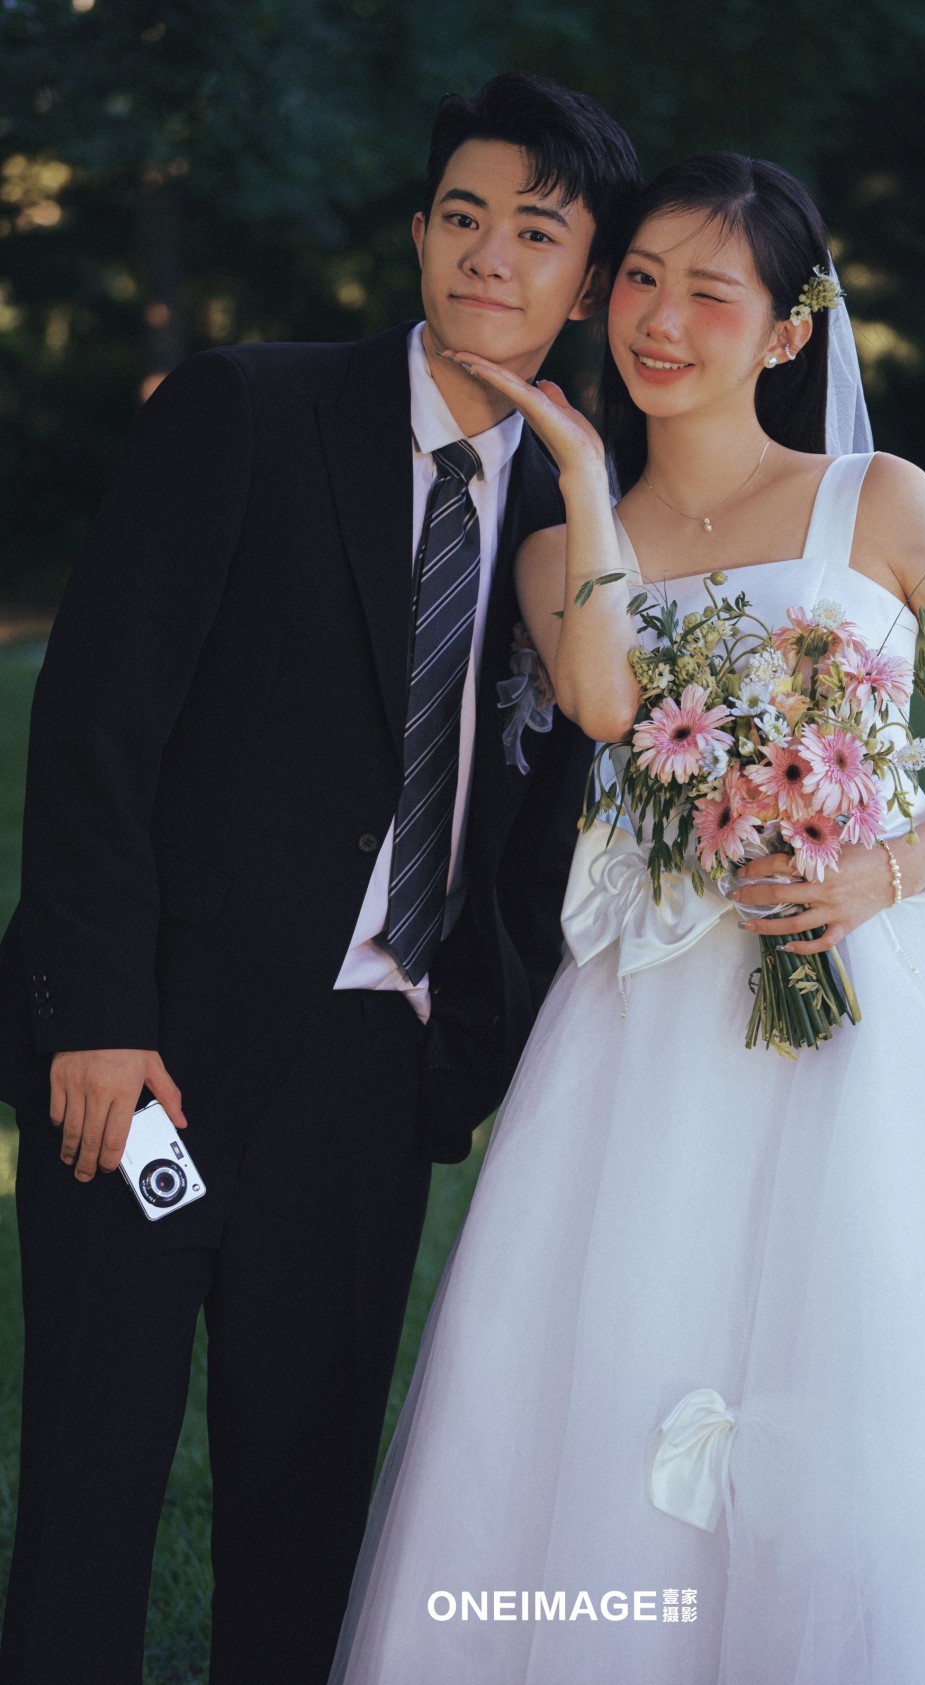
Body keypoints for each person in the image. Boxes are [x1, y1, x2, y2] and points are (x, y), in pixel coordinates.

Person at [327, 153, 925, 1684]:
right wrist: (579, 476)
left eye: (709, 292)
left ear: (785, 330)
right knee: (634, 1345)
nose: (661, 319)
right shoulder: (561, 544)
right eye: (639, 280)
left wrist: (879, 871)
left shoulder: (882, 498)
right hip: (654, 1010)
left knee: (882, 1359)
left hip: (883, 987)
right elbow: (605, 705)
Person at [0, 72, 641, 1685]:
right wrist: (94, 1013)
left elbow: (550, 810)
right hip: (150, 1057)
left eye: (537, 233)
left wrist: (461, 1054)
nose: (488, 254)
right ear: (418, 233)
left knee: (303, 1519)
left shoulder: (570, 523)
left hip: (369, 1075)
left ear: (587, 283)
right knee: (90, 1488)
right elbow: (95, 725)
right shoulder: (248, 410)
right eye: (462, 216)